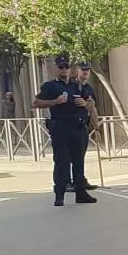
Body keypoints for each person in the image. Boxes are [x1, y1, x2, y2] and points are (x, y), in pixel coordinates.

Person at [34, 56, 97, 205]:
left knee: (78, 161)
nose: (64, 70)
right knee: (62, 161)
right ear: (56, 69)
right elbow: (36, 102)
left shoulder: (77, 86)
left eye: (66, 67)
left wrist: (86, 104)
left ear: (70, 69)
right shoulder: (50, 86)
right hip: (60, 127)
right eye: (61, 67)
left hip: (78, 127)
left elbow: (91, 102)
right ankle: (59, 194)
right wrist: (55, 101)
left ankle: (81, 192)